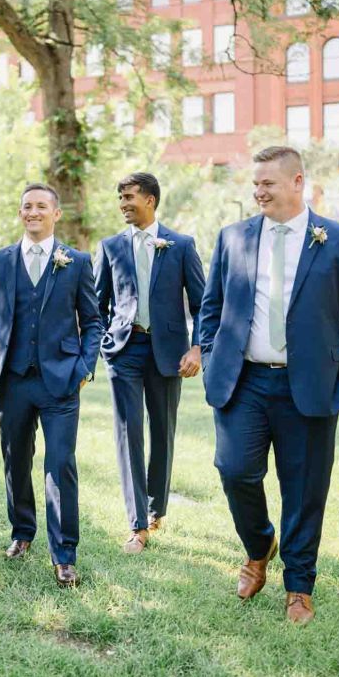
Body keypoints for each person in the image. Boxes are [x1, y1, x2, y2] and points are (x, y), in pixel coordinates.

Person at [199, 146, 339, 624]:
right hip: (244, 382)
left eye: (268, 184)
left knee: (304, 489)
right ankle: (259, 546)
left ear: (297, 182)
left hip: (311, 386)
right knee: (234, 469)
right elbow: (211, 307)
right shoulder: (232, 237)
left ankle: (299, 585)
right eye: (255, 184)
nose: (258, 191)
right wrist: (212, 352)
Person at [0, 183, 102, 587]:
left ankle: (64, 554)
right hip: (12, 381)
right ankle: (22, 533)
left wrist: (84, 367)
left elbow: (93, 321)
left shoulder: (76, 262)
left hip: (61, 380)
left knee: (60, 463)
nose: (33, 212)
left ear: (56, 214)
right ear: (20, 212)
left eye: (41, 206)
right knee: (16, 461)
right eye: (26, 206)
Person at [94, 172, 205, 553]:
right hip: (123, 351)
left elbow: (202, 305)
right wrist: (104, 344)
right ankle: (137, 524)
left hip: (168, 353)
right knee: (128, 434)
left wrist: (197, 348)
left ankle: (157, 508)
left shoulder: (181, 245)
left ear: (151, 200)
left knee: (163, 431)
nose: (123, 203)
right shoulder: (109, 247)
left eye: (129, 197)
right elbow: (96, 304)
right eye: (120, 197)